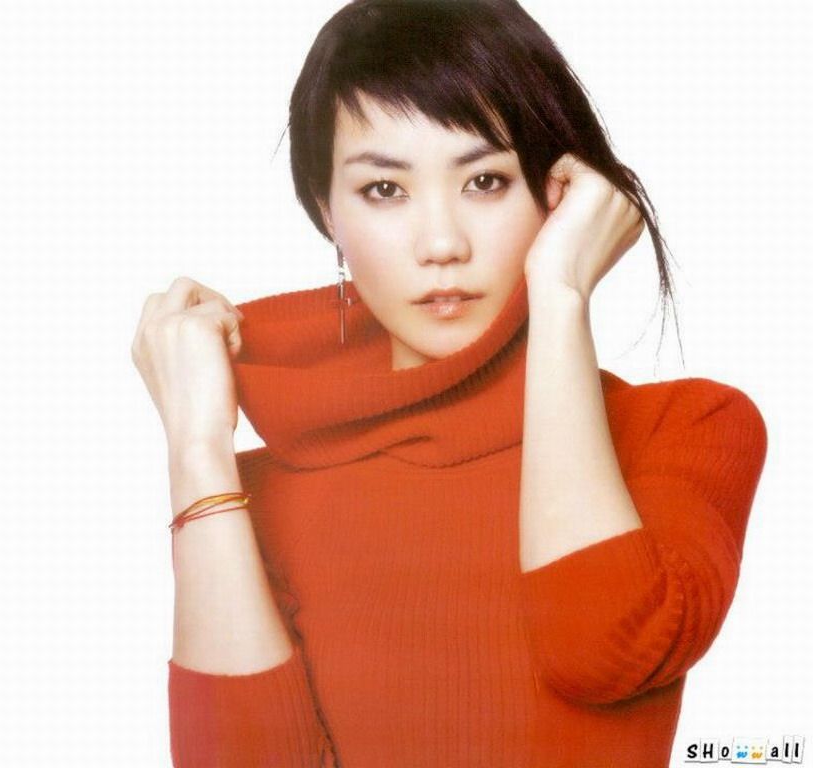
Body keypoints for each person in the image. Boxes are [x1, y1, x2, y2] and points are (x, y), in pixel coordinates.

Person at [131, 1, 769, 765]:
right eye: (385, 190)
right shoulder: (249, 498)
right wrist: (198, 451)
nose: (441, 243)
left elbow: (602, 651)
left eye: (487, 181)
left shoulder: (688, 429)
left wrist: (563, 291)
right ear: (325, 211)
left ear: (560, 193)